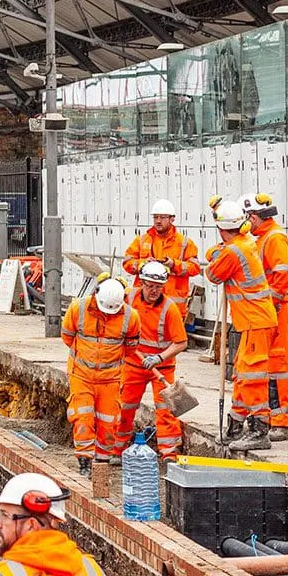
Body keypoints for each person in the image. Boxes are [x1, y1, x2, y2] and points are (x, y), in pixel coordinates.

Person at [204, 200, 279, 452]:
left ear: (221, 229)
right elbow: (216, 257)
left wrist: (216, 254)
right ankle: (236, 424)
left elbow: (212, 275)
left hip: (255, 320)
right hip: (253, 320)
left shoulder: (234, 251)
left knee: (253, 375)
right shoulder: (245, 242)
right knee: (242, 374)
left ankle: (259, 429)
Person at [117, 262, 190, 461]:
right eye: (149, 286)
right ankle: (117, 449)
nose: (153, 291)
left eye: (158, 287)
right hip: (134, 363)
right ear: (142, 282)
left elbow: (181, 342)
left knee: (165, 410)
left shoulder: (169, 308)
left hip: (162, 368)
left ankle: (169, 452)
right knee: (125, 407)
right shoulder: (129, 297)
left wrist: (159, 357)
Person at [61, 277, 128, 473]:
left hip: (110, 379)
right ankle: (84, 461)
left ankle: (101, 463)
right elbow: (67, 337)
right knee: (83, 418)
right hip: (81, 375)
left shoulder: (129, 316)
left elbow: (131, 347)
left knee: (108, 423)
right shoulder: (77, 309)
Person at [245, 193, 288, 442]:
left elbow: (284, 274)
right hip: (266, 309)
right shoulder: (262, 238)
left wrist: (272, 302)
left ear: (254, 217)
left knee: (276, 367)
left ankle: (280, 422)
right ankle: (266, 418)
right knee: (264, 366)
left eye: (248, 218)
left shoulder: (274, 239)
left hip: (275, 309)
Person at [121, 199, 201, 305]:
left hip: (172, 304)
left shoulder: (184, 243)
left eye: (162, 217)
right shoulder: (142, 240)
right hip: (144, 303)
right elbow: (127, 262)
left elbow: (195, 268)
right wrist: (142, 264)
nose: (158, 221)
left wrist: (174, 264)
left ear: (172, 219)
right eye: (155, 217)